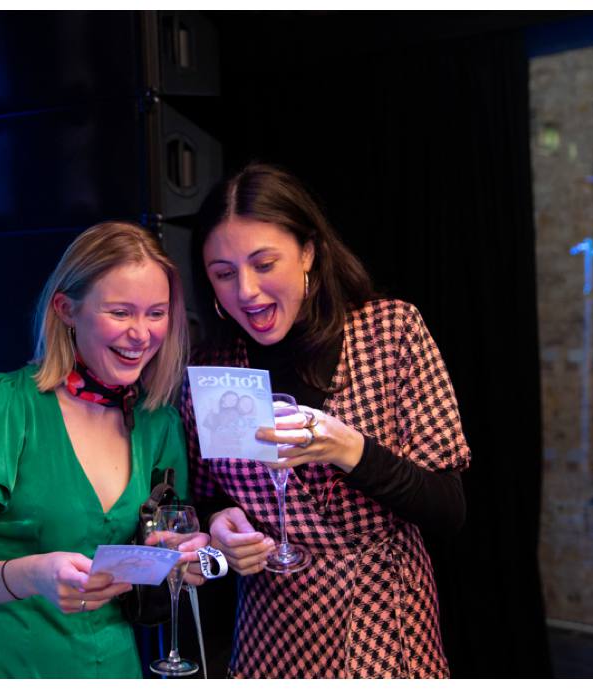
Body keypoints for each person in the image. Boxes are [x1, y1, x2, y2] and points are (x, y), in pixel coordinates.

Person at [179, 163, 471, 678]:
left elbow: (448, 509)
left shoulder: (390, 331)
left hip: (381, 617)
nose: (246, 290)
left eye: (264, 263)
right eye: (224, 273)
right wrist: (220, 528)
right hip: (273, 627)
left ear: (309, 253)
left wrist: (349, 449)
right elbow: (207, 499)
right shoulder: (212, 369)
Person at [0, 221, 208, 678]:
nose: (141, 333)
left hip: (112, 665)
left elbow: (156, 550)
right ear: (66, 309)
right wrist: (32, 574)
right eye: (120, 312)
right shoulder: (3, 406)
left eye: (156, 313)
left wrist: (176, 561)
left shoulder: (160, 424)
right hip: (5, 666)